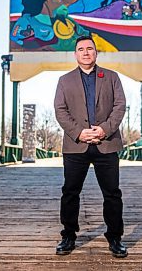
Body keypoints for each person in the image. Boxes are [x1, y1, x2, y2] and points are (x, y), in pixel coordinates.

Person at [53, 35, 127, 258]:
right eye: (81, 49)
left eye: (90, 49)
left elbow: (120, 106)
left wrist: (104, 129)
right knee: (70, 192)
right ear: (75, 54)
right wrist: (79, 132)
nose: (86, 52)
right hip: (76, 146)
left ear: (96, 53)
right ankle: (68, 235)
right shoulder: (64, 81)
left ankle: (115, 237)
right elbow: (60, 110)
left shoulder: (112, 77)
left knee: (112, 193)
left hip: (107, 143)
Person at [10, 0, 119, 52]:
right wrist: (37, 52)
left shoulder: (57, 11)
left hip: (97, 45)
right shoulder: (27, 21)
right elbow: (13, 47)